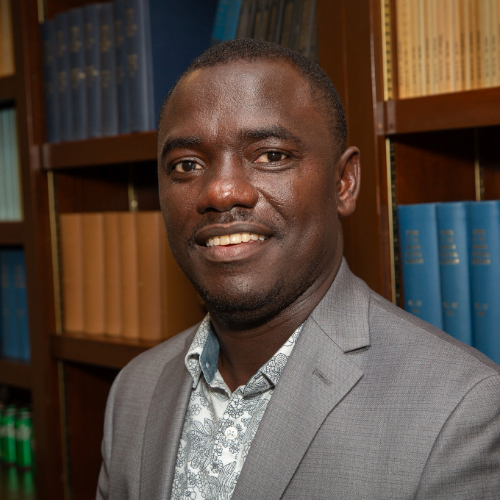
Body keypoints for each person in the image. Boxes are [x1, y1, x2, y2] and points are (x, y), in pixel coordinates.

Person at [96, 39, 500, 500]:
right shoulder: (134, 391)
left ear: (343, 182)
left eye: (271, 156)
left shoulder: (460, 411)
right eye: (187, 165)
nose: (222, 191)